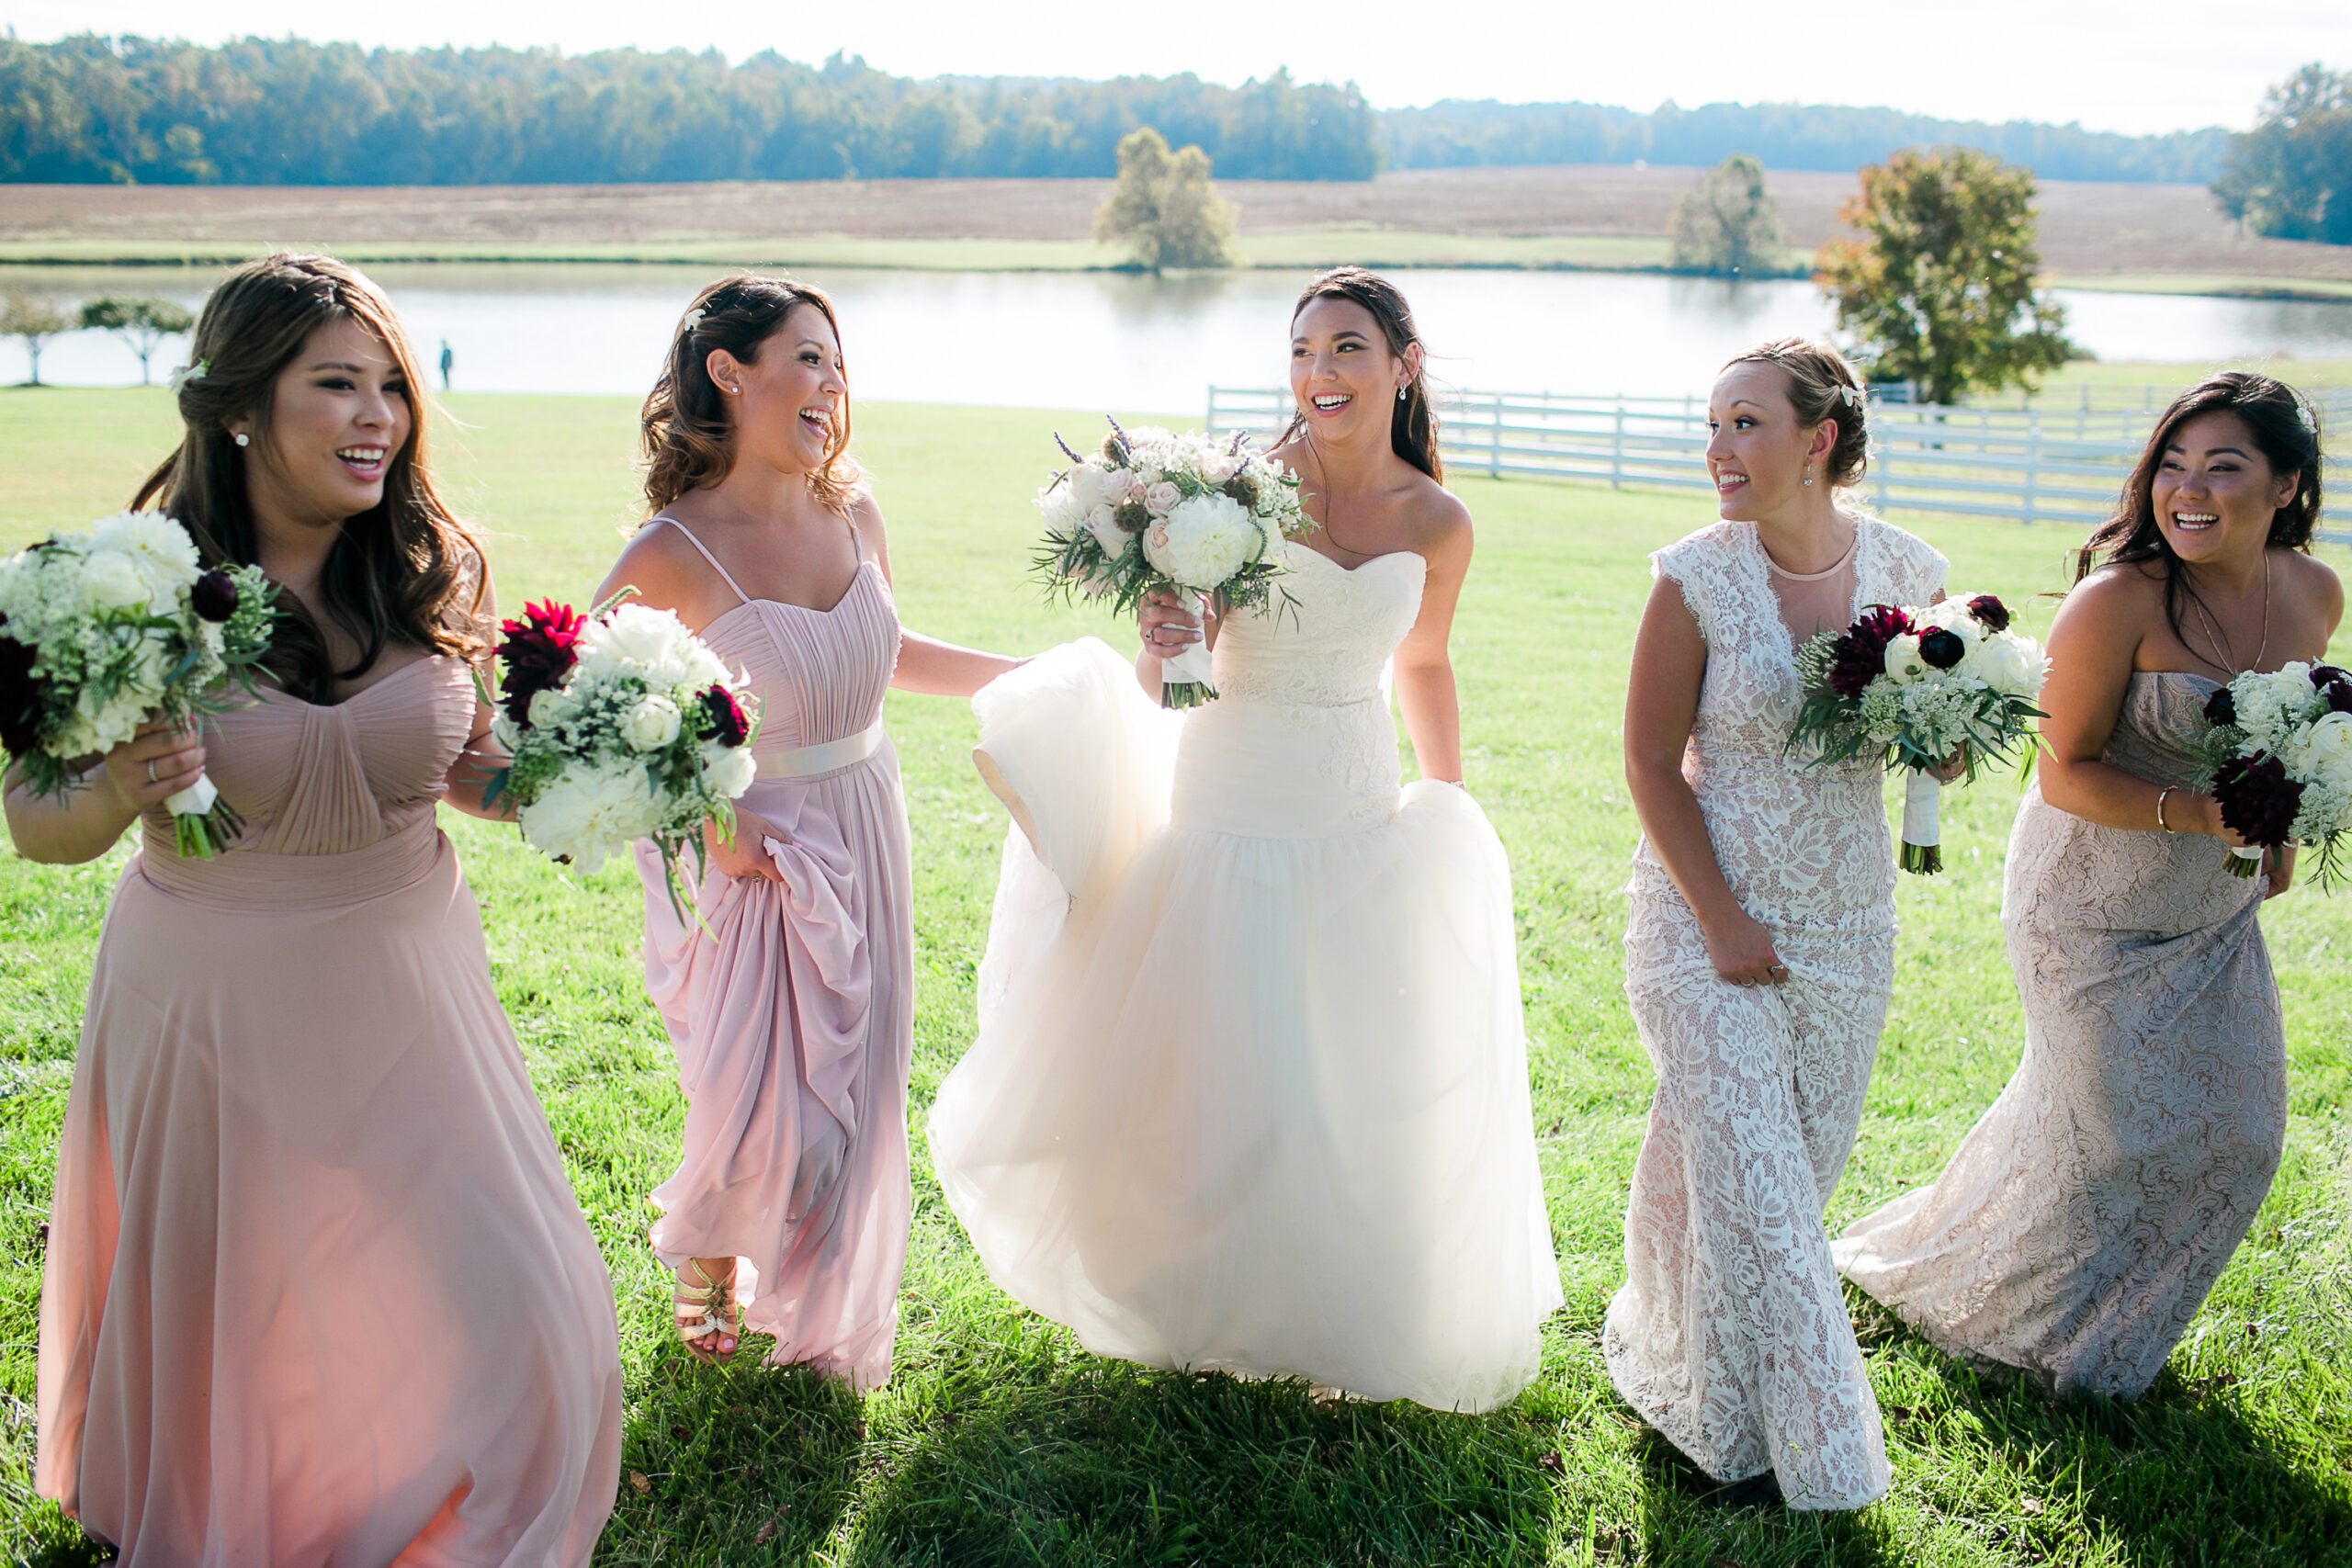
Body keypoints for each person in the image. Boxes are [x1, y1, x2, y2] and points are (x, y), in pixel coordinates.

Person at [15, 254, 621, 1563]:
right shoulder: (140, 586)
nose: (379, 418)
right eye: (335, 384)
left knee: (532, 1297)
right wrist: (122, 783)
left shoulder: (431, 565)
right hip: (212, 1005)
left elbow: (470, 775)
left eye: (391, 386)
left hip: (413, 993)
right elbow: (35, 823)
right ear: (240, 405)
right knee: (250, 1314)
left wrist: (603, 766)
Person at [926, 266, 1562, 1413]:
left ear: (1402, 366)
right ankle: (1193, 1298)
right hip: (1229, 795)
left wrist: (1449, 792)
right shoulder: (1235, 494)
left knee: (1336, 1069)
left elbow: (1421, 658)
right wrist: (1165, 632)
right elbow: (1167, 671)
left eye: (1347, 349)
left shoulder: (1438, 520)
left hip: (1358, 803)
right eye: (1304, 351)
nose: (1319, 373)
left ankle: (1328, 1308)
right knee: (1225, 1061)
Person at [1835, 372, 2340, 1398]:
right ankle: (2026, 1336)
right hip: (2086, 898)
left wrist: (2283, 817)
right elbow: (2064, 771)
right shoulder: (2118, 602)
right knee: (2109, 1136)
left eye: (2223, 467)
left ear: (2286, 485)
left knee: (2241, 1132)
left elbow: (2288, 728)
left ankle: (2106, 1327)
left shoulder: (2314, 593)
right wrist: (2200, 813)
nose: (2187, 489)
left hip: (2210, 905)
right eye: (2172, 464)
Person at [597, 273, 1021, 1385]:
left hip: (867, 820)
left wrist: (1033, 675)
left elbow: (886, 651)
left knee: (860, 1091)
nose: (831, 383)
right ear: (731, 374)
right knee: (768, 1097)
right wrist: (704, 812)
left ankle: (821, 1314)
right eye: (806, 358)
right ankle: (711, 1252)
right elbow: (577, 710)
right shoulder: (675, 549)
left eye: (837, 362)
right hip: (764, 849)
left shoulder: (855, 512)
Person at [1606, 338, 1948, 1509]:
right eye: (1711, 425)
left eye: (1744, 424)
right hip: (1701, 919)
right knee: (1755, 1178)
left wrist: (1946, 735)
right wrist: (1719, 922)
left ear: (1820, 438)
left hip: (1850, 923)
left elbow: (1929, 735)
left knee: (1774, 1174)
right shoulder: (1693, 577)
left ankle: (1673, 1342)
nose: (1717, 450)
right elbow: (1651, 765)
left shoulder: (1912, 567)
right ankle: (1818, 1456)